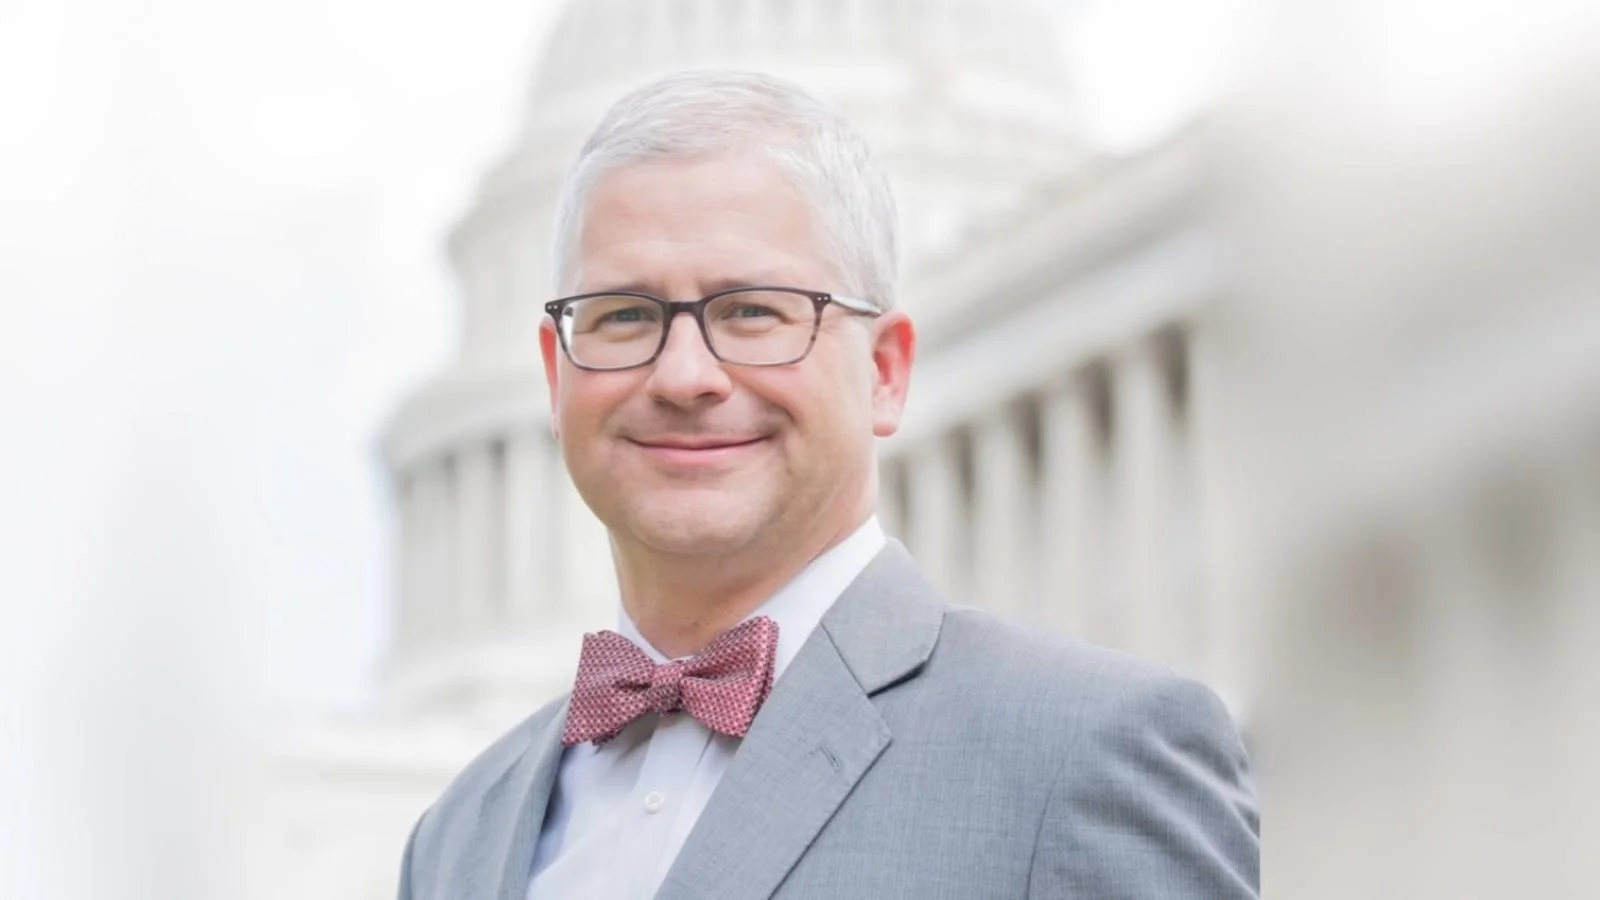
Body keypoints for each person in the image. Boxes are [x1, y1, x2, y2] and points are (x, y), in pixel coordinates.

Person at [397, 70, 1259, 900]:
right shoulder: (462, 832)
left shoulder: (1089, 755)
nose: (685, 375)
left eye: (753, 311)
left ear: (885, 371)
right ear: (556, 379)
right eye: (627, 317)